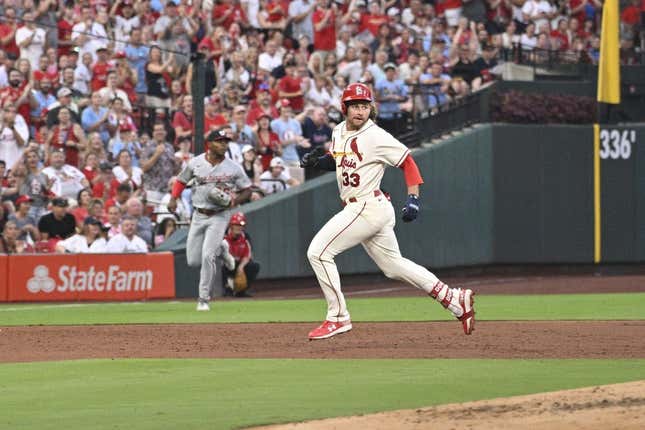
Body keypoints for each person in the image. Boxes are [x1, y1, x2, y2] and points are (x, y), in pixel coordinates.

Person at [299, 82, 475, 340]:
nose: (359, 111)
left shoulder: (376, 135)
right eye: (354, 106)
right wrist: (318, 161)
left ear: (371, 109)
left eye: (364, 106)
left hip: (366, 206)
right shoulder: (338, 131)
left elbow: (408, 162)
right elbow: (340, 160)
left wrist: (413, 197)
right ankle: (454, 299)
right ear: (344, 108)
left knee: (318, 252)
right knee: (393, 266)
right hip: (369, 207)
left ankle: (338, 317)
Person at [167, 129, 252, 311]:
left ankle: (203, 299)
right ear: (210, 143)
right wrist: (173, 198)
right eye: (219, 141)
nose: (223, 144)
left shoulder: (233, 167)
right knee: (193, 261)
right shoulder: (196, 162)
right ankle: (222, 247)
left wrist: (234, 201)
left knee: (207, 256)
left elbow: (247, 189)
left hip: (219, 215)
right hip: (198, 214)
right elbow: (181, 180)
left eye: (225, 141)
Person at [222, 212, 261, 297]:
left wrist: (241, 267)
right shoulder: (223, 235)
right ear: (231, 225)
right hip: (227, 263)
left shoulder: (245, 236)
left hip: (239, 263)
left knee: (254, 266)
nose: (239, 227)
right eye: (236, 225)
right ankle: (227, 289)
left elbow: (248, 255)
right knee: (225, 264)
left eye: (241, 225)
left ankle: (242, 291)